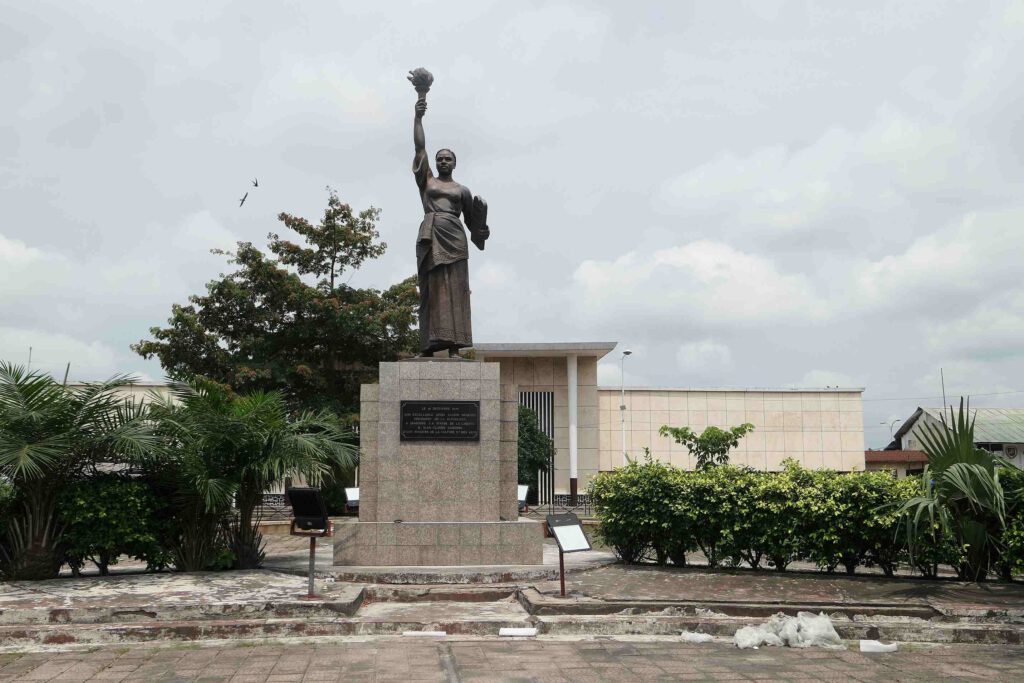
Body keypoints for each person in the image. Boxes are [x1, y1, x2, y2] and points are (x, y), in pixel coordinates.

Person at [412, 98, 489, 356]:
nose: (443, 161)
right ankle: (428, 348)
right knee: (431, 290)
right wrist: (418, 118)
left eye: (448, 159)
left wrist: (483, 230)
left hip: (455, 240)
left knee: (456, 291)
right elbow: (419, 147)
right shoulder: (427, 182)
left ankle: (455, 347)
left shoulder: (462, 190)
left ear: (455, 163)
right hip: (432, 236)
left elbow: (473, 224)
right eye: (440, 159)